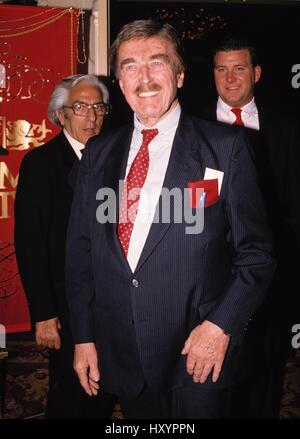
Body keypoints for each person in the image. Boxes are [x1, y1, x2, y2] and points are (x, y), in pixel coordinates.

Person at [65, 20, 275, 419]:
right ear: (119, 82)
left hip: (197, 354)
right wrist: (84, 337)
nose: (143, 78)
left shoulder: (226, 149)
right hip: (125, 353)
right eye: (129, 66)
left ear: (179, 74)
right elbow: (80, 253)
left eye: (156, 63)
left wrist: (220, 327)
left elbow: (257, 254)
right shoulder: (97, 154)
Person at [200, 36, 300, 418]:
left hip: (272, 279)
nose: (230, 79)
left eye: (239, 68)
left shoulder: (287, 127)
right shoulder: (195, 127)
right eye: (221, 69)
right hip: (215, 281)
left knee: (266, 379)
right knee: (214, 382)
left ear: (255, 73)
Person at [14, 74, 116, 419]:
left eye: (98, 107)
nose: (91, 116)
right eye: (80, 107)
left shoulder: (115, 159)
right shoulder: (41, 164)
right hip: (66, 303)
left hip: (112, 299)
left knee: (105, 387)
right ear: (61, 115)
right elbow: (30, 243)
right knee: (71, 391)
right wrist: (43, 313)